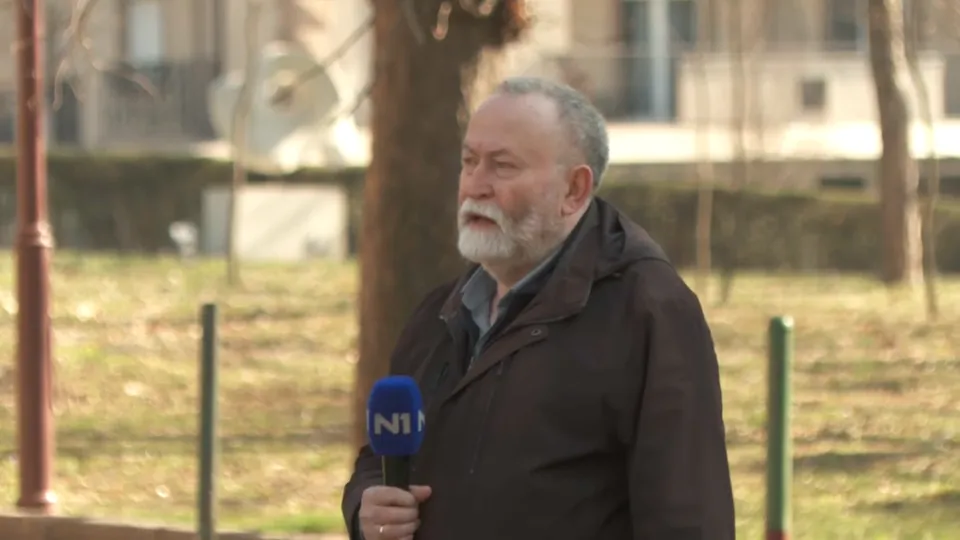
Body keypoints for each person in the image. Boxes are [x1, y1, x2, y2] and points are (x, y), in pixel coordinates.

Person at [341, 76, 735, 540]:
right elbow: (380, 458)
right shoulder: (440, 313)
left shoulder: (648, 312)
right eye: (469, 162)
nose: (475, 186)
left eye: (502, 166)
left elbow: (687, 515)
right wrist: (366, 505)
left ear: (574, 190)